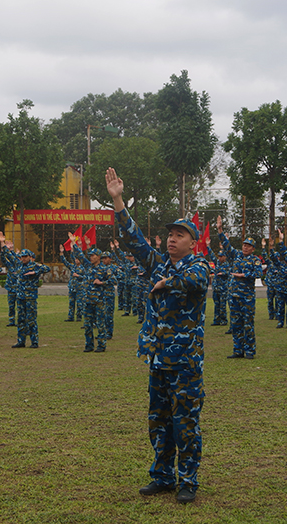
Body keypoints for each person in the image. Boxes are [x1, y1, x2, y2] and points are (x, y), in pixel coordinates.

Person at [106, 167, 208, 504]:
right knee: (158, 423)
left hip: (185, 363)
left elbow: (195, 282)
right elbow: (134, 240)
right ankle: (163, 476)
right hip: (158, 359)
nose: (172, 239)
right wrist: (118, 201)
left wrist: (166, 283)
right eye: (170, 235)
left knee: (185, 424)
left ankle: (188, 480)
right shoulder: (158, 263)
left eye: (180, 235)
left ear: (193, 242)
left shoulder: (198, 266)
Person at [217, 216, 264, 359]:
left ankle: (250, 351)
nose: (245, 247)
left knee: (248, 324)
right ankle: (238, 350)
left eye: (248, 246)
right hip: (234, 296)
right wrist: (220, 229)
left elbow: (259, 273)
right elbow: (226, 245)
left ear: (253, 248)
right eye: (244, 245)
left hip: (247, 297)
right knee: (236, 324)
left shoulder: (255, 260)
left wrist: (244, 275)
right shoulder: (236, 256)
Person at [0, 233, 50, 348]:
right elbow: (9, 254)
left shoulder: (34, 265)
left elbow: (47, 268)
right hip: (20, 297)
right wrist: (2, 243)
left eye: (25, 257)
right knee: (21, 320)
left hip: (30, 297)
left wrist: (35, 272)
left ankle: (34, 341)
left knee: (31, 320)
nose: (23, 258)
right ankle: (21, 341)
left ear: (29, 257)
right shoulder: (18, 264)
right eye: (22, 257)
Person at [70, 239, 115, 352]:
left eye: (93, 255)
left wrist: (102, 282)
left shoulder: (105, 269)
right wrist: (74, 243)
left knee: (100, 324)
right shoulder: (88, 266)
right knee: (87, 325)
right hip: (88, 301)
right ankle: (89, 345)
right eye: (90, 255)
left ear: (99, 257)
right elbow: (80, 256)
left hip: (99, 301)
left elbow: (114, 280)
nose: (91, 257)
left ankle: (101, 345)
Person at [205, 246, 230, 326]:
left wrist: (223, 273)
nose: (219, 258)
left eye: (221, 256)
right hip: (216, 288)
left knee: (222, 305)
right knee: (216, 305)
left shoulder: (227, 264)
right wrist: (208, 246)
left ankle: (223, 320)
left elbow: (230, 273)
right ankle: (217, 320)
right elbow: (212, 256)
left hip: (223, 288)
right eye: (219, 256)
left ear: (225, 257)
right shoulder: (217, 263)